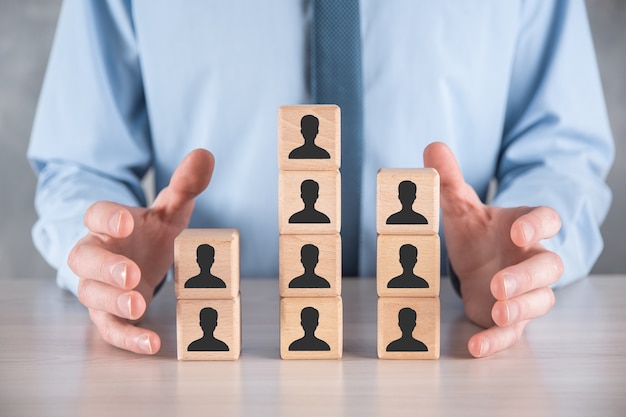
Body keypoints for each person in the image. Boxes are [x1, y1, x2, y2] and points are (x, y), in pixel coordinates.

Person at [28, 1, 614, 357]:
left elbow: (562, 152)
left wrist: (520, 257)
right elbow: (81, 162)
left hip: (446, 348)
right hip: (215, 357)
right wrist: (113, 259)